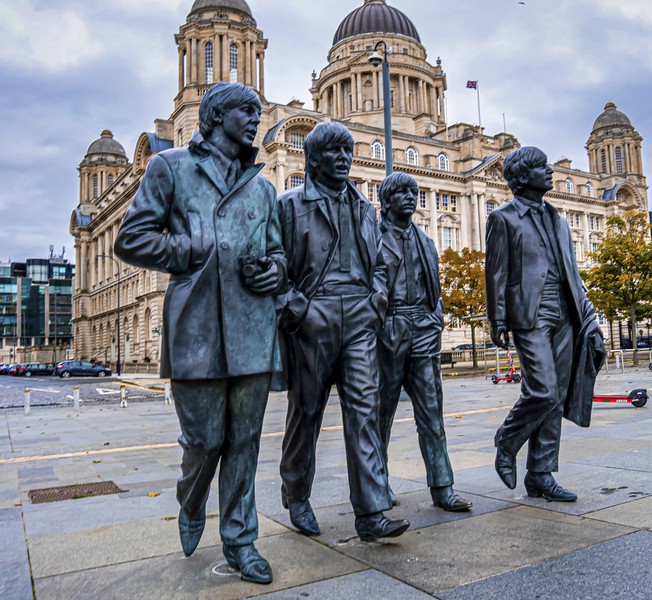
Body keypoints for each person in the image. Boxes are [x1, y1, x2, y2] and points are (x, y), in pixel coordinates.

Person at [114, 82, 285, 584]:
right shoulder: (171, 167)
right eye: (244, 111)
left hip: (254, 327)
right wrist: (185, 251)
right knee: (205, 440)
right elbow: (132, 237)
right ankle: (190, 500)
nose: (255, 120)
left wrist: (273, 272)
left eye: (257, 112)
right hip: (196, 326)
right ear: (215, 115)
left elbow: (277, 253)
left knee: (245, 442)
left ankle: (241, 540)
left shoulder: (263, 187)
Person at [276, 121, 409, 542]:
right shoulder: (289, 205)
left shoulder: (365, 208)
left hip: (359, 317)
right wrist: (298, 311)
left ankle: (370, 513)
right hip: (313, 319)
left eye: (348, 150)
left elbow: (380, 266)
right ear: (313, 158)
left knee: (365, 412)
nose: (344, 158)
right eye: (334, 151)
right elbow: (273, 268)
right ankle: (297, 496)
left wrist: (377, 302)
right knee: (306, 415)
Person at [485, 146, 605, 502]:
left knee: (557, 397)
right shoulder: (503, 218)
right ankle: (507, 440)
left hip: (566, 312)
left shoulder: (558, 219)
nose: (549, 171)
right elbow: (496, 272)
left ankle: (541, 473)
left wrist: (589, 314)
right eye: (541, 166)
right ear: (522, 177)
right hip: (530, 313)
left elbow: (573, 272)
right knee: (543, 391)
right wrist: (498, 317)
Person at [376, 172, 472, 513]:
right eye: (400, 192)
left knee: (432, 413)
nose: (409, 197)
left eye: (412, 191)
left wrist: (436, 319)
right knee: (380, 414)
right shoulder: (372, 237)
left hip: (423, 329)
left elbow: (435, 288)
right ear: (386, 199)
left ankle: (442, 486)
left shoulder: (427, 241)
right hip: (387, 330)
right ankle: (378, 485)